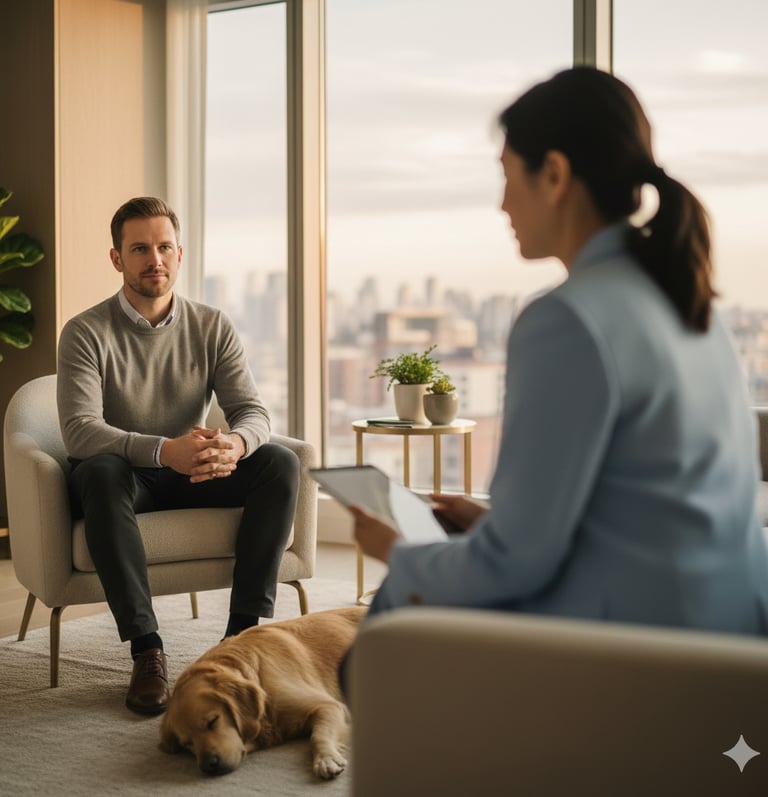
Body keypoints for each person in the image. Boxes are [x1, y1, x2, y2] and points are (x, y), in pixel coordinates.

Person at [342, 67, 768, 684]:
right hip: (724, 622)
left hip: (643, 651)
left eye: (507, 174)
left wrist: (400, 553)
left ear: (556, 174)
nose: (502, 201)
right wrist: (491, 526)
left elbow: (514, 568)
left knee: (378, 643)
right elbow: (645, 512)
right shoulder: (691, 305)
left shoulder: (566, 320)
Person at [57, 196, 300, 715]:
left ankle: (241, 641)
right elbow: (80, 432)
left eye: (164, 247)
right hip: (127, 477)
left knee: (279, 462)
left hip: (193, 470)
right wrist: (165, 451)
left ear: (180, 253)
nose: (155, 260)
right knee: (98, 470)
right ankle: (147, 649)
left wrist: (232, 445)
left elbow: (253, 412)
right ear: (117, 258)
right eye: (140, 248)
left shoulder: (212, 325)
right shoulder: (85, 331)